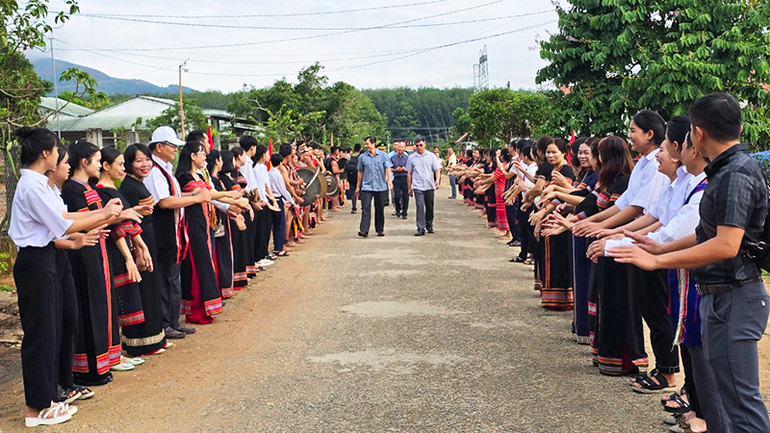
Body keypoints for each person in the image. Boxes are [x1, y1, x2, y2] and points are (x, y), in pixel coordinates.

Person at [609, 93, 770, 433]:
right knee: (722, 398)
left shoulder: (734, 175)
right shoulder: (724, 171)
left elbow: (726, 245)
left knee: (740, 401)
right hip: (721, 293)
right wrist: (657, 249)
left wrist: (658, 261)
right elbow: (704, 234)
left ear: (697, 134)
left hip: (735, 294)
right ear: (739, 127)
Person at [10, 127, 121, 426]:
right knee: (42, 334)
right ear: (46, 154)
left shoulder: (42, 185)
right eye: (58, 152)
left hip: (47, 258)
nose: (62, 157)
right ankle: (37, 407)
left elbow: (68, 218)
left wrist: (104, 214)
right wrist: (106, 214)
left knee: (57, 327)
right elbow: (63, 225)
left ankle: (51, 395)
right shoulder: (31, 186)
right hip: (35, 261)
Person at [145, 126, 208, 339]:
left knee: (173, 277)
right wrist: (196, 199)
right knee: (166, 278)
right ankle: (166, 322)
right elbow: (164, 202)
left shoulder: (166, 169)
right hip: (164, 233)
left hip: (175, 232)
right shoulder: (155, 171)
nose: (175, 150)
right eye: (172, 146)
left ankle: (173, 320)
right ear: (159, 147)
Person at [119, 144, 168, 356]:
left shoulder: (139, 182)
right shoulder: (129, 186)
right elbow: (127, 222)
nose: (145, 164)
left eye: (147, 159)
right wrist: (137, 250)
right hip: (139, 242)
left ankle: (156, 338)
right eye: (139, 161)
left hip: (148, 239)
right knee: (144, 291)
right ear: (129, 163)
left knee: (151, 288)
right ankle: (142, 342)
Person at [175, 141, 224, 325]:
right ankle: (196, 310)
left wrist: (233, 199)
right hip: (192, 224)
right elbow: (208, 195)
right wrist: (233, 197)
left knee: (205, 263)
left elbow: (211, 193)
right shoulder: (186, 177)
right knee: (197, 265)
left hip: (203, 223)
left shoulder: (199, 174)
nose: (205, 157)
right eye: (202, 153)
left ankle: (205, 308)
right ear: (192, 156)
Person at [356, 136, 393, 237]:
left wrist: (389, 181)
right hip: (367, 186)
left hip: (380, 186)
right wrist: (358, 187)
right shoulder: (362, 157)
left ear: (373, 144)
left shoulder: (383, 155)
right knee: (366, 208)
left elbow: (388, 168)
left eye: (367, 144)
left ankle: (379, 229)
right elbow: (360, 172)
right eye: (365, 144)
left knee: (380, 208)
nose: (366, 146)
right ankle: (364, 230)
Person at [407, 135, 442, 236]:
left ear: (425, 144)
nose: (419, 147)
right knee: (420, 206)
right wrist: (409, 187)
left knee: (429, 206)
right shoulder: (411, 158)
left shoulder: (431, 156)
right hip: (418, 186)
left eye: (421, 145)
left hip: (429, 185)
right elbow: (409, 173)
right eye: (417, 146)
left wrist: (437, 180)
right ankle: (420, 227)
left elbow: (437, 169)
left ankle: (429, 224)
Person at [390, 141, 409, 219]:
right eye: (399, 146)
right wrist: (396, 170)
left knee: (405, 196)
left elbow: (411, 168)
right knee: (397, 196)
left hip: (405, 178)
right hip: (397, 178)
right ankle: (398, 209)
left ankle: (404, 212)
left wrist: (405, 169)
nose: (400, 148)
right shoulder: (393, 158)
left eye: (402, 147)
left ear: (404, 148)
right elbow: (389, 168)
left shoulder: (407, 158)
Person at [346, 143, 362, 214]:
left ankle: (354, 208)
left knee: (353, 191)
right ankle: (363, 206)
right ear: (360, 149)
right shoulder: (361, 157)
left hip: (351, 176)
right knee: (361, 191)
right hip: (359, 176)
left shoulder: (350, 157)